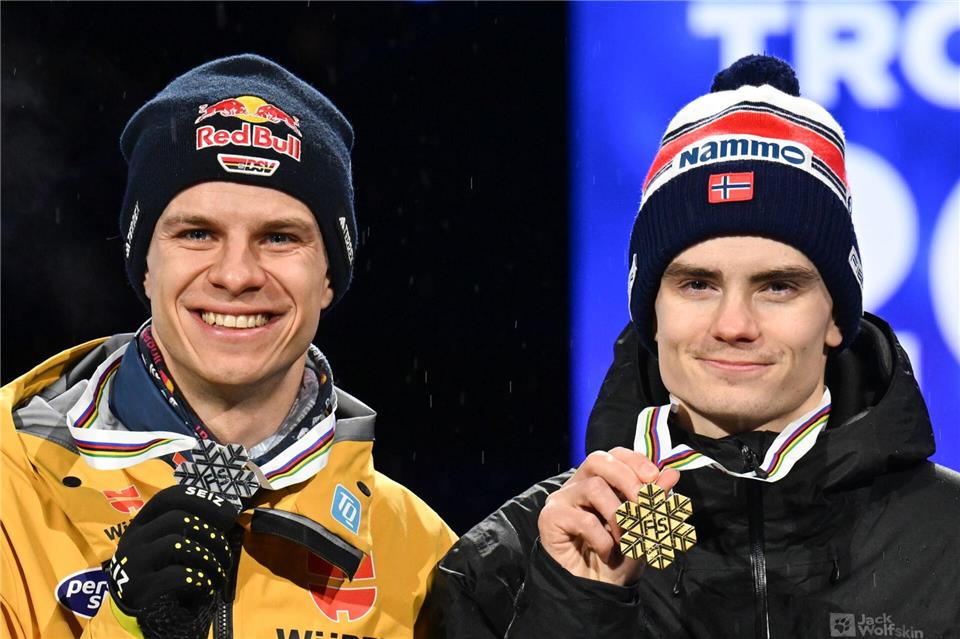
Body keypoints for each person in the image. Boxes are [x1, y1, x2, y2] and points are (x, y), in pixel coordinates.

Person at [423, 55, 960, 637]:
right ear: (650, 312)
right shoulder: (511, 564)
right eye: (697, 284)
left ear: (836, 317)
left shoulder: (950, 543)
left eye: (777, 286)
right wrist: (574, 609)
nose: (733, 324)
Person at [1, 54, 456, 639]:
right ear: (145, 266)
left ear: (328, 278)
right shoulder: (12, 490)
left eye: (279, 237)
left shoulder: (416, 551)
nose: (237, 274)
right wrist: (126, 628)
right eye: (197, 233)